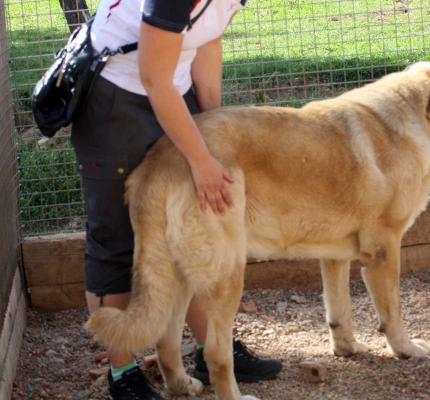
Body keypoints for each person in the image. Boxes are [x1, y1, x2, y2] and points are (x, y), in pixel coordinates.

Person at [70, 0, 282, 398]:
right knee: (116, 235)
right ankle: (123, 373)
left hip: (172, 89)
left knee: (199, 222)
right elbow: (152, 77)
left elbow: (208, 38)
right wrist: (200, 161)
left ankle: (210, 351)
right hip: (115, 96)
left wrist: (214, 130)